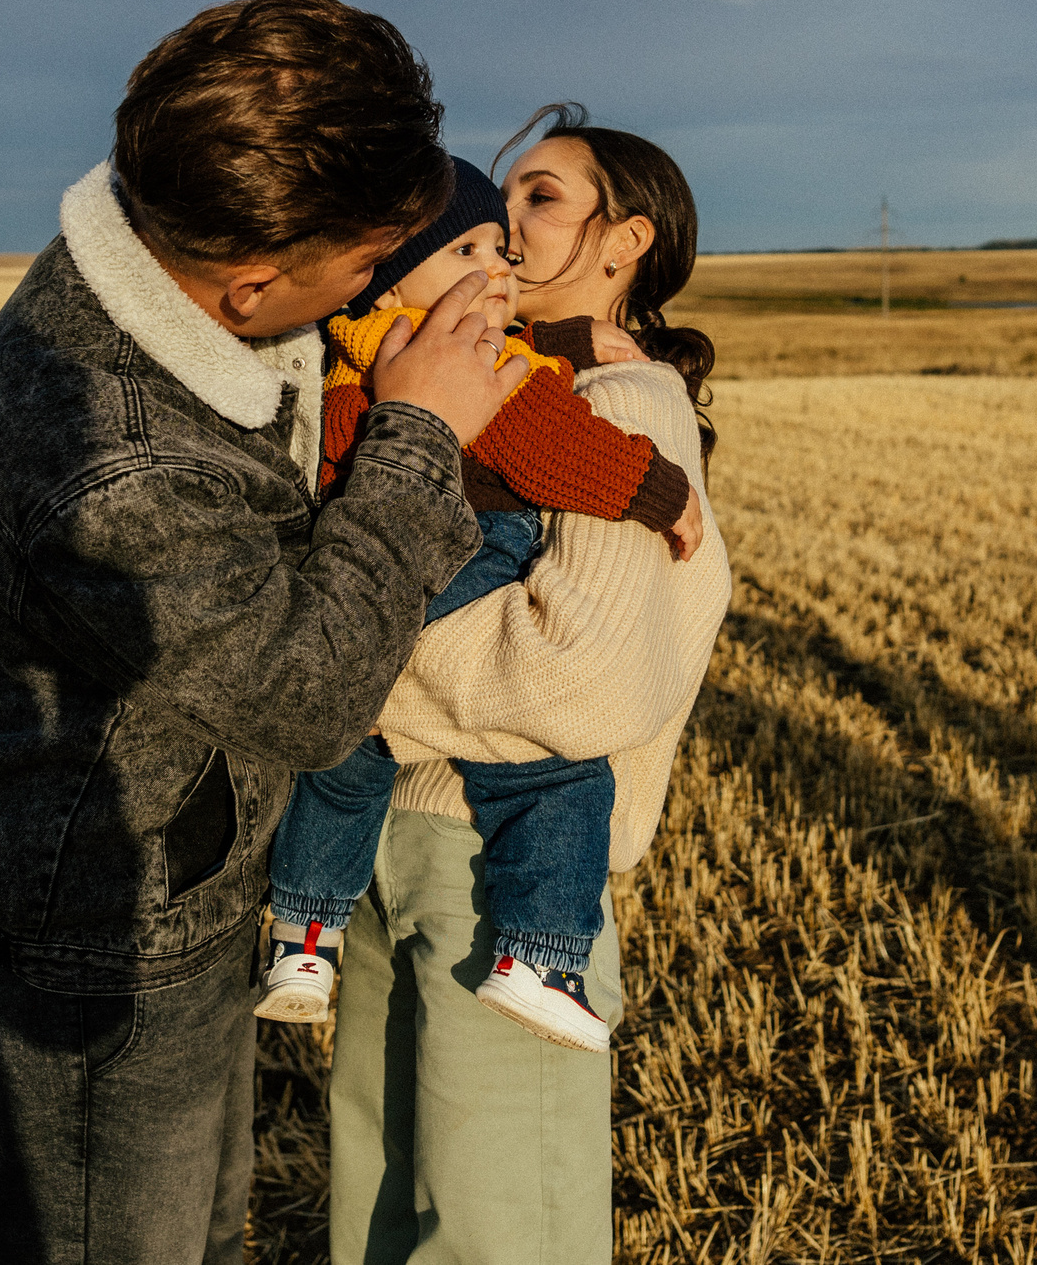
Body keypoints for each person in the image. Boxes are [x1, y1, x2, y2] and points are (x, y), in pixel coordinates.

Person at [0, 0, 528, 1265]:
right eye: (365, 267)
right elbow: (304, 698)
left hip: (143, 867)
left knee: (192, 1226)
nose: (383, 283)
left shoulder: (149, 239)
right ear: (247, 287)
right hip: (97, 938)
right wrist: (419, 437)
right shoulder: (124, 474)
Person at [324, 106, 735, 1265]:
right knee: (374, 1218)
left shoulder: (623, 406)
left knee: (500, 1236)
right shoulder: (466, 390)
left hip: (499, 877)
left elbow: (576, 677)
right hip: (375, 854)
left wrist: (335, 677)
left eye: (542, 199)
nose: (499, 227)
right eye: (498, 201)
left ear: (625, 243)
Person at [254, 156, 704, 1049]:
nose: (502, 253)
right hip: (448, 830)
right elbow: (543, 436)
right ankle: (540, 952)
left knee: (340, 765)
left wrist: (364, 685)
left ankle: (303, 934)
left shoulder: (350, 353)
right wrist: (662, 493)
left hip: (373, 636)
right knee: (559, 776)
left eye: (534, 205)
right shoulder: (473, 363)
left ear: (627, 241)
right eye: (476, 238)